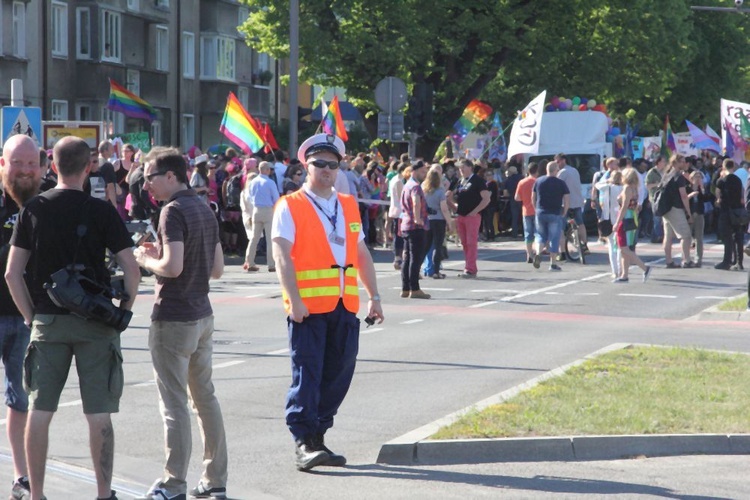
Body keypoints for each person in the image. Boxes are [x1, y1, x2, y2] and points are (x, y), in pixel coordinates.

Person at [5, 136, 139, 500]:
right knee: (98, 414)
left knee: (40, 409)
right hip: (95, 323)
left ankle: (37, 494)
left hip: (47, 322)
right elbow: (131, 268)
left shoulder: (33, 209)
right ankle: (103, 493)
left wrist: (33, 317)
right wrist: (122, 313)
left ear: (52, 166)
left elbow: (12, 273)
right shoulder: (101, 211)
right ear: (88, 167)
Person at [271, 133, 384, 471]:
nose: (326, 169)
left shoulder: (347, 204)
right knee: (308, 373)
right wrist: (294, 299)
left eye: (332, 165)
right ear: (306, 166)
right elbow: (282, 257)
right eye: (319, 163)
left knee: (339, 374)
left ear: (340, 168)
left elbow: (361, 253)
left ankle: (319, 437)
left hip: (343, 306)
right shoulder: (290, 205)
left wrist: (374, 296)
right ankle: (304, 442)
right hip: (308, 308)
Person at [132, 147, 228, 500]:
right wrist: (166, 259)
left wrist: (145, 259)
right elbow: (217, 269)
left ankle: (174, 484)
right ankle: (215, 479)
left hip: (173, 316)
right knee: (205, 399)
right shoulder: (204, 207)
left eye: (150, 178)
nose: (145, 186)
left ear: (171, 176)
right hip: (203, 314)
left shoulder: (172, 211)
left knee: (174, 404)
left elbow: (172, 268)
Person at [0, 135, 46, 499]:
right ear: (3, 165)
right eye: (18, 163)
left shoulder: (48, 204)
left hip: (27, 317)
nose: (26, 171)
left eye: (32, 164)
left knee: (22, 400)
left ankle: (22, 475)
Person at [612, 168, 651, 283]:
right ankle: (624, 275)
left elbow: (624, 207)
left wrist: (617, 222)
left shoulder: (627, 188)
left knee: (623, 247)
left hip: (625, 218)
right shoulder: (635, 188)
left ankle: (645, 268)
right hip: (631, 217)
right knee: (625, 248)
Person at [399, 160, 430, 299]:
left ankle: (405, 288)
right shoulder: (416, 186)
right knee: (415, 258)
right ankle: (415, 288)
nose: (425, 175)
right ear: (415, 171)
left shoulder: (406, 185)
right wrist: (418, 218)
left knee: (407, 258)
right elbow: (416, 202)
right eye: (423, 172)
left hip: (406, 224)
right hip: (415, 226)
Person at [454, 159, 490, 278]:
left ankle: (470, 268)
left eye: (463, 167)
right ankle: (469, 266)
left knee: (471, 242)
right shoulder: (461, 181)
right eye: (460, 168)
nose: (461, 170)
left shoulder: (478, 180)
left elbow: (486, 199)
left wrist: (475, 211)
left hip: (472, 216)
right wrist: (453, 206)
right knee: (464, 242)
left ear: (470, 167)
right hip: (461, 215)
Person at [532, 161, 569, 271]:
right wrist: (565, 211)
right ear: (556, 170)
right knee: (554, 238)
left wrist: (536, 209)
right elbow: (567, 199)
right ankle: (552, 263)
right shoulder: (561, 183)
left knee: (540, 235)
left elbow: (533, 197)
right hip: (555, 212)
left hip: (540, 212)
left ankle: (538, 253)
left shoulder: (538, 181)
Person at [245, 161, 279, 272]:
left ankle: (249, 262)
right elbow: (276, 198)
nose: (270, 171)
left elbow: (249, 197)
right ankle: (271, 264)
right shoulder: (270, 182)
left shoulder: (253, 182)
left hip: (256, 210)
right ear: (265, 170)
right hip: (268, 210)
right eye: (269, 169)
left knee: (254, 238)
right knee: (270, 238)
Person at [661, 154, 694, 268]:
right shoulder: (678, 176)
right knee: (686, 235)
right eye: (682, 161)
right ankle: (686, 260)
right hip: (675, 208)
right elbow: (683, 195)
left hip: (665, 209)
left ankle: (669, 261)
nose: (685, 164)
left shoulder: (666, 174)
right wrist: (688, 213)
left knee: (668, 236)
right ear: (676, 162)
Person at [555, 153, 588, 257]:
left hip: (565, 203)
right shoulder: (575, 170)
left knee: (561, 227)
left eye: (558, 162)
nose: (557, 164)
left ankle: (562, 252)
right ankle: (585, 245)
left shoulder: (562, 172)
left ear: (563, 160)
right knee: (580, 223)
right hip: (577, 201)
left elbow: (557, 188)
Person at [422, 166, 452, 279]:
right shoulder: (440, 191)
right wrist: (449, 222)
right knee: (437, 246)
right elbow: (444, 208)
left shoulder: (423, 190)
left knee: (426, 246)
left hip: (427, 219)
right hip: (438, 220)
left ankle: (418, 268)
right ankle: (436, 271)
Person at [715, 158, 745, 271]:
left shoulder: (721, 180)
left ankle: (726, 261)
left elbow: (718, 196)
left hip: (726, 211)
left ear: (723, 166)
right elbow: (742, 193)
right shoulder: (738, 180)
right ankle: (739, 262)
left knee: (727, 237)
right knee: (738, 237)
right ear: (733, 167)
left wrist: (718, 201)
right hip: (737, 211)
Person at [515, 163, 539, 263]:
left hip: (526, 211)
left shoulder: (522, 182)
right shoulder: (538, 182)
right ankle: (538, 253)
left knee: (528, 234)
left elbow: (517, 198)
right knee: (538, 233)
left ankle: (529, 255)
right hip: (537, 210)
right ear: (537, 171)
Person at [86, 140, 118, 207]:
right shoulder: (107, 165)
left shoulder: (98, 174)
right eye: (112, 149)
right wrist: (114, 204)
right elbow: (110, 186)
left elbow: (107, 190)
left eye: (95, 162)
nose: (113, 151)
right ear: (105, 151)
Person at [387, 163, 406, 270]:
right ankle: (398, 258)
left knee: (397, 234)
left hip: (395, 210)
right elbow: (401, 198)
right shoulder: (398, 181)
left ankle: (398, 258)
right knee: (399, 236)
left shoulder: (394, 179)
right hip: (399, 212)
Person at [688, 170, 707, 268]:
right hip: (690, 213)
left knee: (699, 238)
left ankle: (698, 259)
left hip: (699, 213)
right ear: (691, 178)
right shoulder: (688, 188)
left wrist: (702, 188)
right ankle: (687, 258)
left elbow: (707, 198)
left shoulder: (702, 189)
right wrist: (691, 195)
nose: (698, 179)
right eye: (696, 176)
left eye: (700, 177)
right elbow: (683, 199)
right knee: (687, 237)